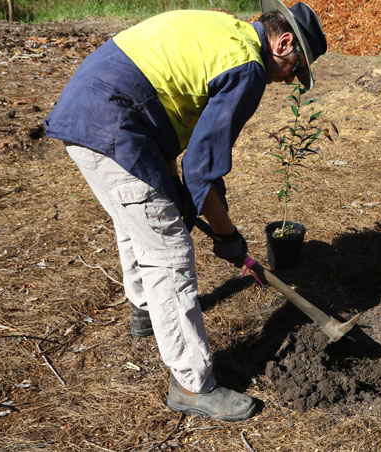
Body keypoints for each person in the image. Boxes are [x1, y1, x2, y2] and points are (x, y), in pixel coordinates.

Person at [44, 0, 327, 421]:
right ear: (283, 43)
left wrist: (201, 204)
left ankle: (144, 311)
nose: (289, 81)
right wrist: (228, 237)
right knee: (168, 250)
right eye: (295, 69)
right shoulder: (247, 67)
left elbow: (194, 145)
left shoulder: (224, 33)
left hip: (92, 109)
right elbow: (202, 168)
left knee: (137, 216)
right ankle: (192, 384)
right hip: (115, 120)